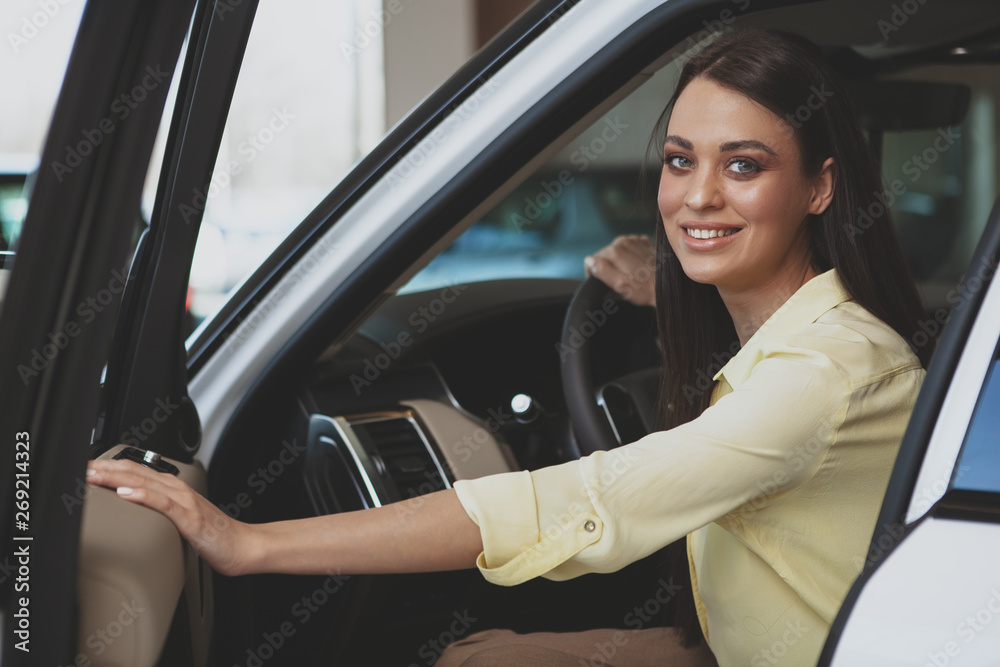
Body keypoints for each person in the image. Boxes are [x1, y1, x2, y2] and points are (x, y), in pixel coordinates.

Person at [88, 29, 932, 666]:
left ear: (820, 186)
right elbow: (771, 622)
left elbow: (584, 498)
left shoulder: (825, 372)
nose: (698, 195)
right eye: (681, 160)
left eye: (743, 166)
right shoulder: (791, 348)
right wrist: (577, 647)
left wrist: (251, 543)